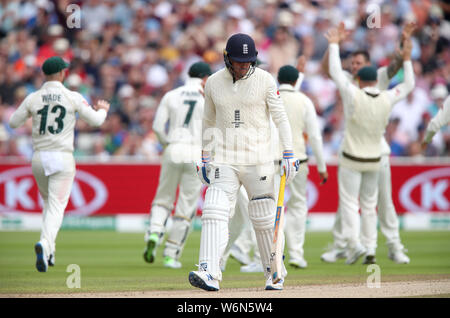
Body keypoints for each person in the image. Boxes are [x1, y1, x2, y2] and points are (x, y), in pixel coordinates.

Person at [188, 33, 298, 291]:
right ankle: (209, 273)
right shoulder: (214, 82)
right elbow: (208, 122)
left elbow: (281, 118)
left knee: (263, 218)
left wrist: (289, 154)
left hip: (258, 160)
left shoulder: (265, 80)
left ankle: (274, 274)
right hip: (224, 159)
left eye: (247, 62)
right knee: (214, 209)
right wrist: (205, 157)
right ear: (227, 58)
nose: (243, 66)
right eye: (238, 62)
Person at [321, 22, 415, 264]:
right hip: (373, 155)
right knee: (366, 205)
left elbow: (392, 65)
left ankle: (378, 246)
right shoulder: (384, 94)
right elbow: (407, 83)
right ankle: (357, 247)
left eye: (358, 64)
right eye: (351, 63)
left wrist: (333, 44)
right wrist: (407, 57)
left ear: (366, 69)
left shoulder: (365, 83)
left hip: (363, 154)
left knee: (370, 203)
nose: (354, 66)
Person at [8, 56, 110, 272]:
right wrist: (103, 109)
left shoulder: (33, 98)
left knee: (48, 203)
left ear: (44, 74)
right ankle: (45, 245)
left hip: (39, 156)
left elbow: (13, 122)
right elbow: (96, 121)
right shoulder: (71, 95)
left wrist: (31, 113)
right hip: (62, 156)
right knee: (56, 206)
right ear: (62, 73)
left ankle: (50, 252)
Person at [143, 61, 212, 269]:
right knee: (185, 207)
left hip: (173, 148)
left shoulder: (171, 95)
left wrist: (167, 144)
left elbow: (157, 127)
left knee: (163, 198)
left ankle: (155, 230)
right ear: (205, 79)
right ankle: (171, 255)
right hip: (195, 152)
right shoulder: (206, 98)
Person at [276, 64, 328, 269]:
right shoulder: (304, 100)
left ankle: (272, 254)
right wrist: (322, 166)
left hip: (273, 160)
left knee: (271, 208)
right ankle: (296, 254)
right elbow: (314, 136)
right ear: (297, 81)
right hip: (298, 160)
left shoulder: (272, 96)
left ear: (278, 79)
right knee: (297, 206)